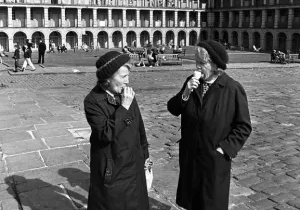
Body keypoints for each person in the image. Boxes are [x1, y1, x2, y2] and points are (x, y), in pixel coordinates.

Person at [167, 40, 252, 210]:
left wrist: (223, 150)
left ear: (214, 64)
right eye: (196, 62)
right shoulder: (191, 82)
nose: (197, 67)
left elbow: (243, 126)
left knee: (210, 203)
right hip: (191, 157)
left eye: (202, 63)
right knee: (191, 202)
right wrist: (185, 93)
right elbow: (173, 108)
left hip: (214, 161)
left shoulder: (232, 88)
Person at [84, 51, 150, 210]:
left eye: (128, 75)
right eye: (123, 76)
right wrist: (124, 108)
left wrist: (145, 155)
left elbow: (139, 127)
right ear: (107, 79)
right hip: (113, 168)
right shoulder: (93, 101)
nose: (127, 81)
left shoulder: (126, 94)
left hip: (134, 165)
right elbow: (104, 134)